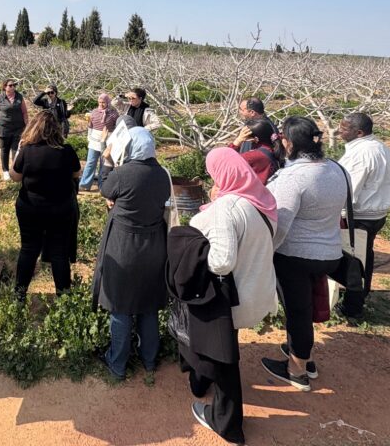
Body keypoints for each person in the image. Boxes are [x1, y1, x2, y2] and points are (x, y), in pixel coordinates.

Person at [186, 148, 278, 443]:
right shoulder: (259, 199)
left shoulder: (227, 209)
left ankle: (227, 422)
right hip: (255, 288)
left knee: (223, 355)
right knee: (218, 345)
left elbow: (222, 261)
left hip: (230, 297)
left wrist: (197, 254)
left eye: (213, 173)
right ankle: (200, 380)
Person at [260, 117, 345, 392]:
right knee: (305, 309)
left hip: (295, 256)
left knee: (297, 311)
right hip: (329, 252)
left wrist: (266, 251)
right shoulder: (335, 168)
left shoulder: (294, 178)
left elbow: (280, 225)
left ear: (289, 142)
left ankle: (297, 371)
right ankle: (304, 356)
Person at [92, 128, 170, 380]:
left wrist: (106, 161)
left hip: (125, 246)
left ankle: (117, 363)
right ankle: (149, 359)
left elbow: (105, 189)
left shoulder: (124, 173)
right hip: (155, 246)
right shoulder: (161, 174)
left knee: (120, 304)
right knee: (148, 304)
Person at [8, 109, 81, 300]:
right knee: (59, 253)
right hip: (61, 208)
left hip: (30, 207)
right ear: (56, 129)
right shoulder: (67, 151)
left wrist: (18, 151)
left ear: (34, 128)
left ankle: (20, 295)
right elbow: (77, 173)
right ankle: (64, 299)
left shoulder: (27, 151)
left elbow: (15, 177)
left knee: (29, 250)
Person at [336, 112, 390, 320]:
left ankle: (353, 307)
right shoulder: (380, 147)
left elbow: (347, 190)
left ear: (359, 132)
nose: (339, 131)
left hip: (360, 215)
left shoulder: (360, 154)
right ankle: (362, 293)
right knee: (365, 254)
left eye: (344, 128)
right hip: (376, 214)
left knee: (353, 260)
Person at [0, 79, 29, 180]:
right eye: (10, 85)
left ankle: (14, 170)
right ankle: (5, 171)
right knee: (5, 149)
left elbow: (25, 112)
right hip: (4, 127)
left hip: (18, 127)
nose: (13, 87)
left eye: (14, 85)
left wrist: (27, 125)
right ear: (5, 87)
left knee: (15, 149)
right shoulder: (0, 97)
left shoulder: (19, 97)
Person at [79, 93, 118, 191]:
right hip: (94, 141)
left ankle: (102, 186)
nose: (101, 104)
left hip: (107, 142)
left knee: (104, 164)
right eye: (100, 102)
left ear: (108, 102)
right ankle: (84, 185)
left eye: (103, 102)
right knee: (90, 163)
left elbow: (116, 128)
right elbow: (90, 126)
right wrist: (89, 137)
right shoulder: (94, 112)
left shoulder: (113, 113)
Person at [228, 117, 282, 184]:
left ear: (255, 139)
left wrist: (237, 141)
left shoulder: (253, 156)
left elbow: (226, 162)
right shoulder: (273, 147)